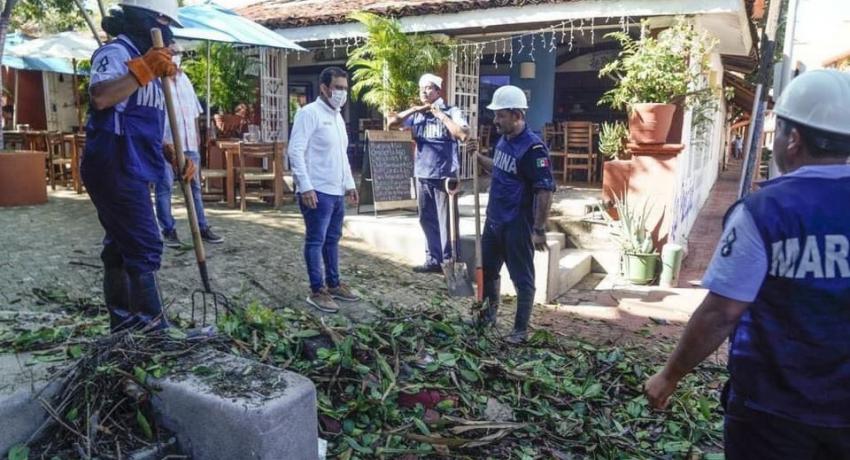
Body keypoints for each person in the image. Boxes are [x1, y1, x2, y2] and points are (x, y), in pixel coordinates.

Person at [644, 69, 850, 457]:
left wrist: (669, 376)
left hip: (773, 412)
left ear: (793, 140)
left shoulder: (764, 211)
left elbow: (721, 312)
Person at [82, 0, 194, 332]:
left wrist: (171, 152)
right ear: (149, 20)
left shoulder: (154, 66)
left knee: (120, 244)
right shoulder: (116, 54)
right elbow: (102, 98)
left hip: (136, 163)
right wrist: (142, 69)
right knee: (145, 243)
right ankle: (154, 329)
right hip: (112, 162)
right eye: (164, 24)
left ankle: (125, 325)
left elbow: (137, 118)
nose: (170, 36)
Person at [474, 85, 555, 343]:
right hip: (494, 219)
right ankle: (488, 317)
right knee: (488, 271)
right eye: (496, 115)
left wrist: (539, 229)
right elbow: (499, 168)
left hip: (517, 224)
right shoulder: (504, 140)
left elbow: (545, 190)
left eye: (501, 115)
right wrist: (477, 156)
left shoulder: (533, 149)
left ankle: (520, 330)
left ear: (517, 115)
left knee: (522, 278)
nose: (495, 120)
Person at [288, 67, 360, 313]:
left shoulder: (338, 116)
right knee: (316, 240)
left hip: (336, 189)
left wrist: (349, 184)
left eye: (344, 88)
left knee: (333, 239)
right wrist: (305, 186)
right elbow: (295, 150)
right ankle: (317, 289)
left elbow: (341, 155)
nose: (341, 92)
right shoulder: (309, 114)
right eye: (337, 87)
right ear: (324, 88)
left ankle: (334, 283)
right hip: (316, 190)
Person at [388, 73, 470, 273]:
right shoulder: (417, 115)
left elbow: (463, 134)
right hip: (422, 173)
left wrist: (440, 115)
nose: (424, 92)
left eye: (428, 88)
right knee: (426, 219)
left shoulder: (452, 110)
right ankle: (433, 260)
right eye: (421, 89)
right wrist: (416, 108)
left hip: (445, 175)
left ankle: (449, 262)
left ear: (438, 91)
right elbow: (391, 123)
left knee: (447, 221)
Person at [154, 43, 224, 248]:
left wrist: (197, 137)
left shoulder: (185, 80)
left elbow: (194, 111)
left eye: (178, 54)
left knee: (194, 187)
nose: (177, 57)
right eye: (173, 53)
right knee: (164, 186)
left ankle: (202, 227)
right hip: (166, 144)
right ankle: (168, 230)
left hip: (189, 142)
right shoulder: (158, 81)